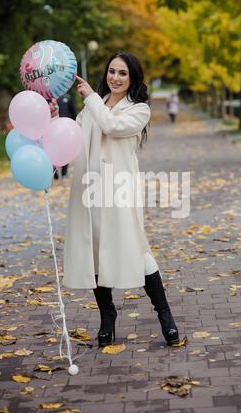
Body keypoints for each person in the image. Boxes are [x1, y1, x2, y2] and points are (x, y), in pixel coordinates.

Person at [53, 52, 181, 348]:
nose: (115, 77)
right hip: (88, 190)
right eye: (112, 71)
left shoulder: (138, 110)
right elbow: (74, 138)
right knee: (96, 251)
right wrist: (53, 116)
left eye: (122, 73)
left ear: (132, 78)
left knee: (139, 250)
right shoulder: (92, 108)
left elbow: (112, 126)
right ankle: (107, 317)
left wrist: (90, 98)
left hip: (119, 190)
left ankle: (165, 315)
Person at [53, 93, 77, 179]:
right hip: (54, 128)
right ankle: (54, 173)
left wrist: (73, 126)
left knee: (65, 150)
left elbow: (73, 112)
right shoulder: (51, 98)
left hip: (66, 128)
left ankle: (64, 173)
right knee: (54, 150)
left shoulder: (68, 97)